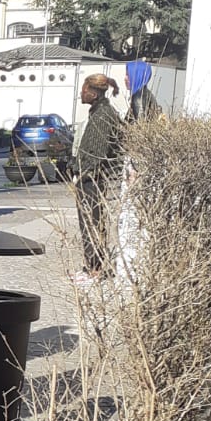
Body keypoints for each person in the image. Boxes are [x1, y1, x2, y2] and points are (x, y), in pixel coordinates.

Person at [73, 74, 123, 281]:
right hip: (89, 177)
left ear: (93, 93)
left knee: (91, 223)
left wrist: (81, 172)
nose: (81, 94)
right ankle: (92, 266)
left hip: (92, 179)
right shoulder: (99, 112)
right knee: (90, 223)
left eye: (84, 90)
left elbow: (96, 152)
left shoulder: (103, 116)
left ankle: (94, 269)